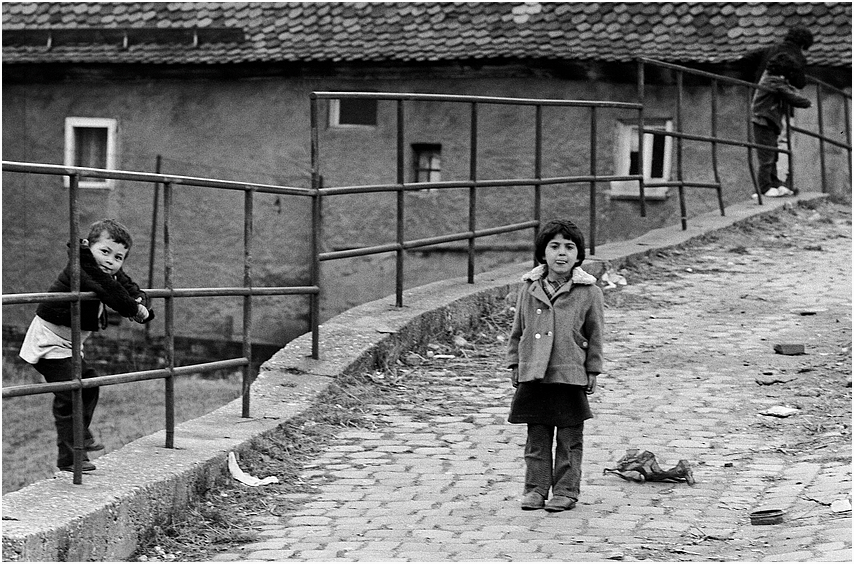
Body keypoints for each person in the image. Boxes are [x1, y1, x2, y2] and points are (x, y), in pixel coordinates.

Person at [19, 219, 154, 473]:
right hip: (48, 340)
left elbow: (131, 289)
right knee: (71, 390)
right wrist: (134, 308)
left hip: (71, 345)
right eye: (104, 251)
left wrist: (140, 302)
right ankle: (72, 454)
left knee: (89, 385)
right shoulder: (82, 265)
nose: (110, 261)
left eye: (118, 257)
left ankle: (77, 442)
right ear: (88, 246)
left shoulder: (110, 272)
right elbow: (110, 291)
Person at [506, 219, 604, 512]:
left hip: (570, 373)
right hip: (535, 373)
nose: (562, 254)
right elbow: (518, 329)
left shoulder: (588, 292)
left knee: (569, 438)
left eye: (569, 247)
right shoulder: (529, 288)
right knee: (537, 437)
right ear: (542, 253)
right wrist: (515, 362)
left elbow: (595, 334)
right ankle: (535, 488)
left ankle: (566, 490)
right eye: (554, 246)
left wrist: (592, 369)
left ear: (578, 255)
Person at [751, 51, 812, 198]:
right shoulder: (772, 81)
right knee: (766, 157)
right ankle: (764, 188)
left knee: (773, 154)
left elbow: (787, 88)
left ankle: (774, 182)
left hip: (769, 121)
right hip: (762, 121)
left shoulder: (773, 79)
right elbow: (789, 95)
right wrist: (806, 103)